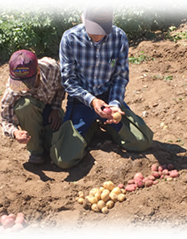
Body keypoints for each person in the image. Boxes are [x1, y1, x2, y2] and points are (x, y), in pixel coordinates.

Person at [58, 2, 154, 166]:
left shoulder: (119, 37)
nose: (98, 35)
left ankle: (107, 124)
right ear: (83, 18)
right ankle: (90, 127)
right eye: (93, 28)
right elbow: (68, 80)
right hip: (82, 100)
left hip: (108, 98)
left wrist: (115, 104)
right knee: (63, 159)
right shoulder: (70, 38)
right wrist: (92, 101)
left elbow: (120, 77)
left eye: (102, 28)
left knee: (142, 142)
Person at [0, 49, 65, 164]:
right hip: (30, 115)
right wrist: (15, 133)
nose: (24, 87)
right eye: (20, 83)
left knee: (60, 151)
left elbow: (61, 89)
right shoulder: (12, 88)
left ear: (38, 71)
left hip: (50, 110)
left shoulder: (52, 68)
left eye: (28, 82)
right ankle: (36, 151)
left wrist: (55, 109)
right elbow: (5, 118)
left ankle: (45, 138)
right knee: (24, 105)